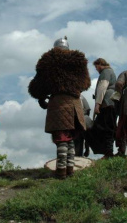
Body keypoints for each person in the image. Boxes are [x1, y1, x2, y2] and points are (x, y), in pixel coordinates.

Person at [28, 36, 91, 179]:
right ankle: (70, 169)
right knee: (70, 137)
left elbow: (37, 86)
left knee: (62, 138)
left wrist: (41, 98)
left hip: (58, 103)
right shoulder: (78, 60)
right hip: (75, 104)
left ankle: (61, 171)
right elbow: (86, 84)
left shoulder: (48, 61)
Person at [92, 58, 117, 158]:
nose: (96, 69)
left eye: (96, 66)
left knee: (105, 127)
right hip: (111, 102)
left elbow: (102, 87)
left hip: (107, 103)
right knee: (108, 127)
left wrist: (97, 104)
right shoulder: (111, 72)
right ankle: (108, 151)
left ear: (100, 64)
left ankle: (108, 152)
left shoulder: (105, 72)